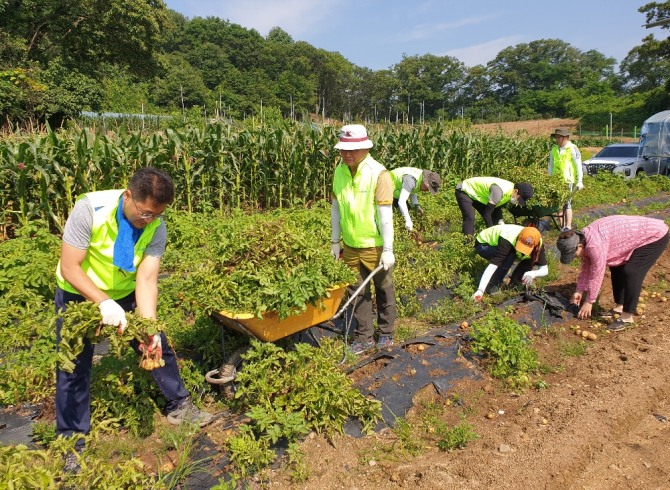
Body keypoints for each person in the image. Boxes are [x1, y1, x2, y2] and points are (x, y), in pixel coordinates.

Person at [55, 167, 213, 471]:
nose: (148, 220)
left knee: (155, 344)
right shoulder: (89, 209)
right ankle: (71, 443)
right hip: (78, 292)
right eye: (144, 213)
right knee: (73, 365)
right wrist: (103, 303)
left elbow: (147, 280)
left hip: (125, 291)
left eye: (156, 214)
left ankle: (179, 403)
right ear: (128, 195)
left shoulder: (157, 227)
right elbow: (70, 267)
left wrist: (149, 328)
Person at [330, 124, 397, 355]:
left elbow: (385, 214)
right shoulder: (339, 172)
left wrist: (388, 248)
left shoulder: (379, 174)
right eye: (344, 150)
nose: (348, 154)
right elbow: (336, 208)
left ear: (366, 148)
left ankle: (386, 333)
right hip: (350, 245)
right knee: (356, 292)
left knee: (384, 289)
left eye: (354, 150)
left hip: (375, 245)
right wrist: (335, 241)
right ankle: (364, 336)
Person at [556, 215, 669, 331]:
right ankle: (619, 307)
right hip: (634, 235)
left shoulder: (594, 245)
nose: (575, 257)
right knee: (616, 266)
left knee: (632, 272)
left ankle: (627, 318)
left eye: (573, 255)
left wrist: (590, 301)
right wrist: (579, 290)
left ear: (579, 246)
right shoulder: (584, 238)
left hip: (654, 236)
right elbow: (586, 268)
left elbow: (597, 274)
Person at [471, 224, 547, 301]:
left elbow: (545, 270)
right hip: (484, 244)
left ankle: (515, 284)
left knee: (530, 259)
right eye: (522, 245)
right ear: (519, 237)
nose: (522, 250)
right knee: (509, 257)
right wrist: (480, 290)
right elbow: (492, 266)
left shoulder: (538, 243)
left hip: (503, 244)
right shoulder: (508, 239)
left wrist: (532, 274)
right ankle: (493, 286)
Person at [455, 176, 534, 235]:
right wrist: (492, 232)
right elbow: (487, 214)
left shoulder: (509, 192)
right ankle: (467, 244)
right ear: (516, 191)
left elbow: (496, 208)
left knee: (493, 219)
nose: (517, 201)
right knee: (470, 217)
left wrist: (500, 222)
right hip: (464, 190)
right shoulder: (499, 192)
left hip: (477, 195)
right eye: (519, 198)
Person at [548, 127, 583, 231]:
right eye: (556, 137)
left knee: (567, 203)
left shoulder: (572, 148)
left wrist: (580, 181)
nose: (556, 139)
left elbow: (578, 165)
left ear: (565, 137)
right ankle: (561, 226)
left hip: (567, 180)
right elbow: (551, 165)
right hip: (556, 180)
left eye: (558, 137)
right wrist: (550, 179)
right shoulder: (554, 149)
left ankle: (568, 226)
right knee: (557, 204)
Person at [390, 167, 442, 231]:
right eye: (428, 189)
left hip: (397, 191)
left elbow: (412, 190)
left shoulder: (419, 177)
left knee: (409, 212)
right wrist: (408, 220)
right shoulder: (410, 180)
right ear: (425, 183)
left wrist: (416, 205)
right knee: (393, 217)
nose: (427, 191)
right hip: (387, 188)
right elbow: (401, 202)